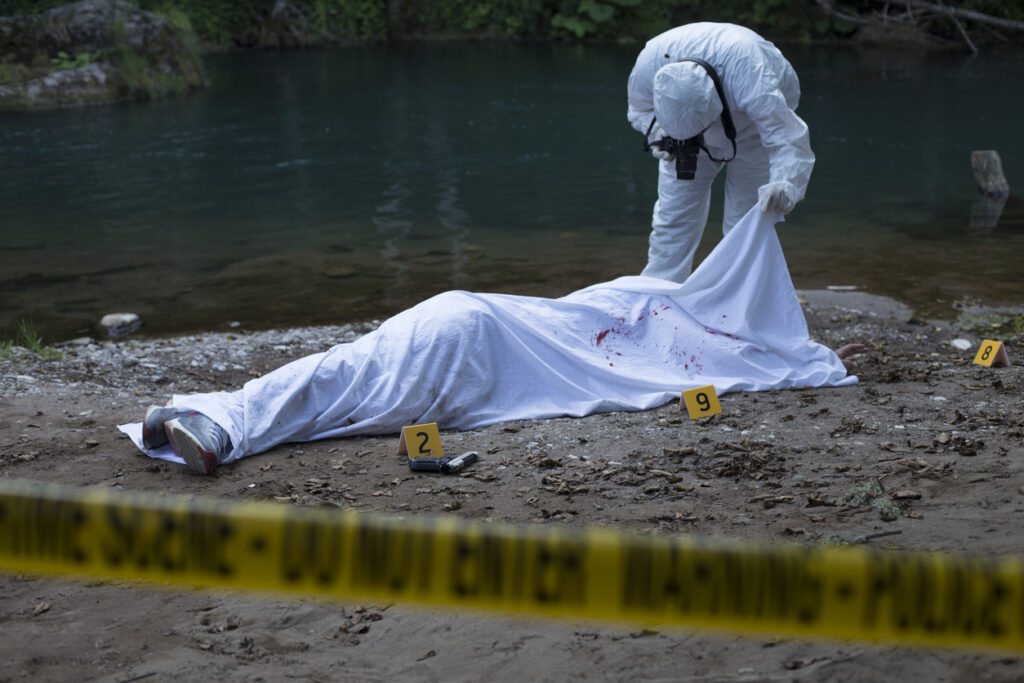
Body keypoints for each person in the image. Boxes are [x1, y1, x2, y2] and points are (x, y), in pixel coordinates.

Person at [122, 206, 863, 475]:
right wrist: (800, 360)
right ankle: (212, 419)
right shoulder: (669, 334)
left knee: (345, 380)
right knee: (352, 396)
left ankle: (221, 419)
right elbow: (749, 357)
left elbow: (670, 289)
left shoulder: (646, 300)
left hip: (469, 326)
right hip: (478, 355)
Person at [627, 22, 814, 283]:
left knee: (744, 222)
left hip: (753, 131)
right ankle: (661, 293)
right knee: (673, 217)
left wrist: (786, 183)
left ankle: (736, 297)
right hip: (680, 141)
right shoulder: (650, 64)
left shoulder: (751, 73)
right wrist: (661, 134)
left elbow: (785, 136)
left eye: (700, 130)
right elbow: (638, 110)